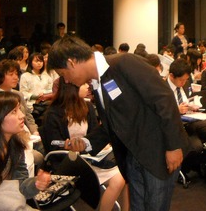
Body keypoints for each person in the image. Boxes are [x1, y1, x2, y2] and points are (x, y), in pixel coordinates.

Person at [47, 36, 188, 211]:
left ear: (72, 62)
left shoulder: (124, 63)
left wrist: (173, 146)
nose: (66, 81)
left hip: (158, 152)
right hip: (132, 156)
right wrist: (87, 142)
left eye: (63, 74)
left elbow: (164, 99)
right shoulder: (97, 83)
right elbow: (112, 123)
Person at [40, 78, 129, 211]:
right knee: (119, 178)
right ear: (72, 87)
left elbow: (94, 136)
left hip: (89, 158)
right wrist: (68, 146)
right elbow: (53, 147)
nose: (87, 86)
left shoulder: (87, 106)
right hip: (68, 162)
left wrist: (88, 147)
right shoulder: (53, 113)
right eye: (83, 84)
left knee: (124, 175)